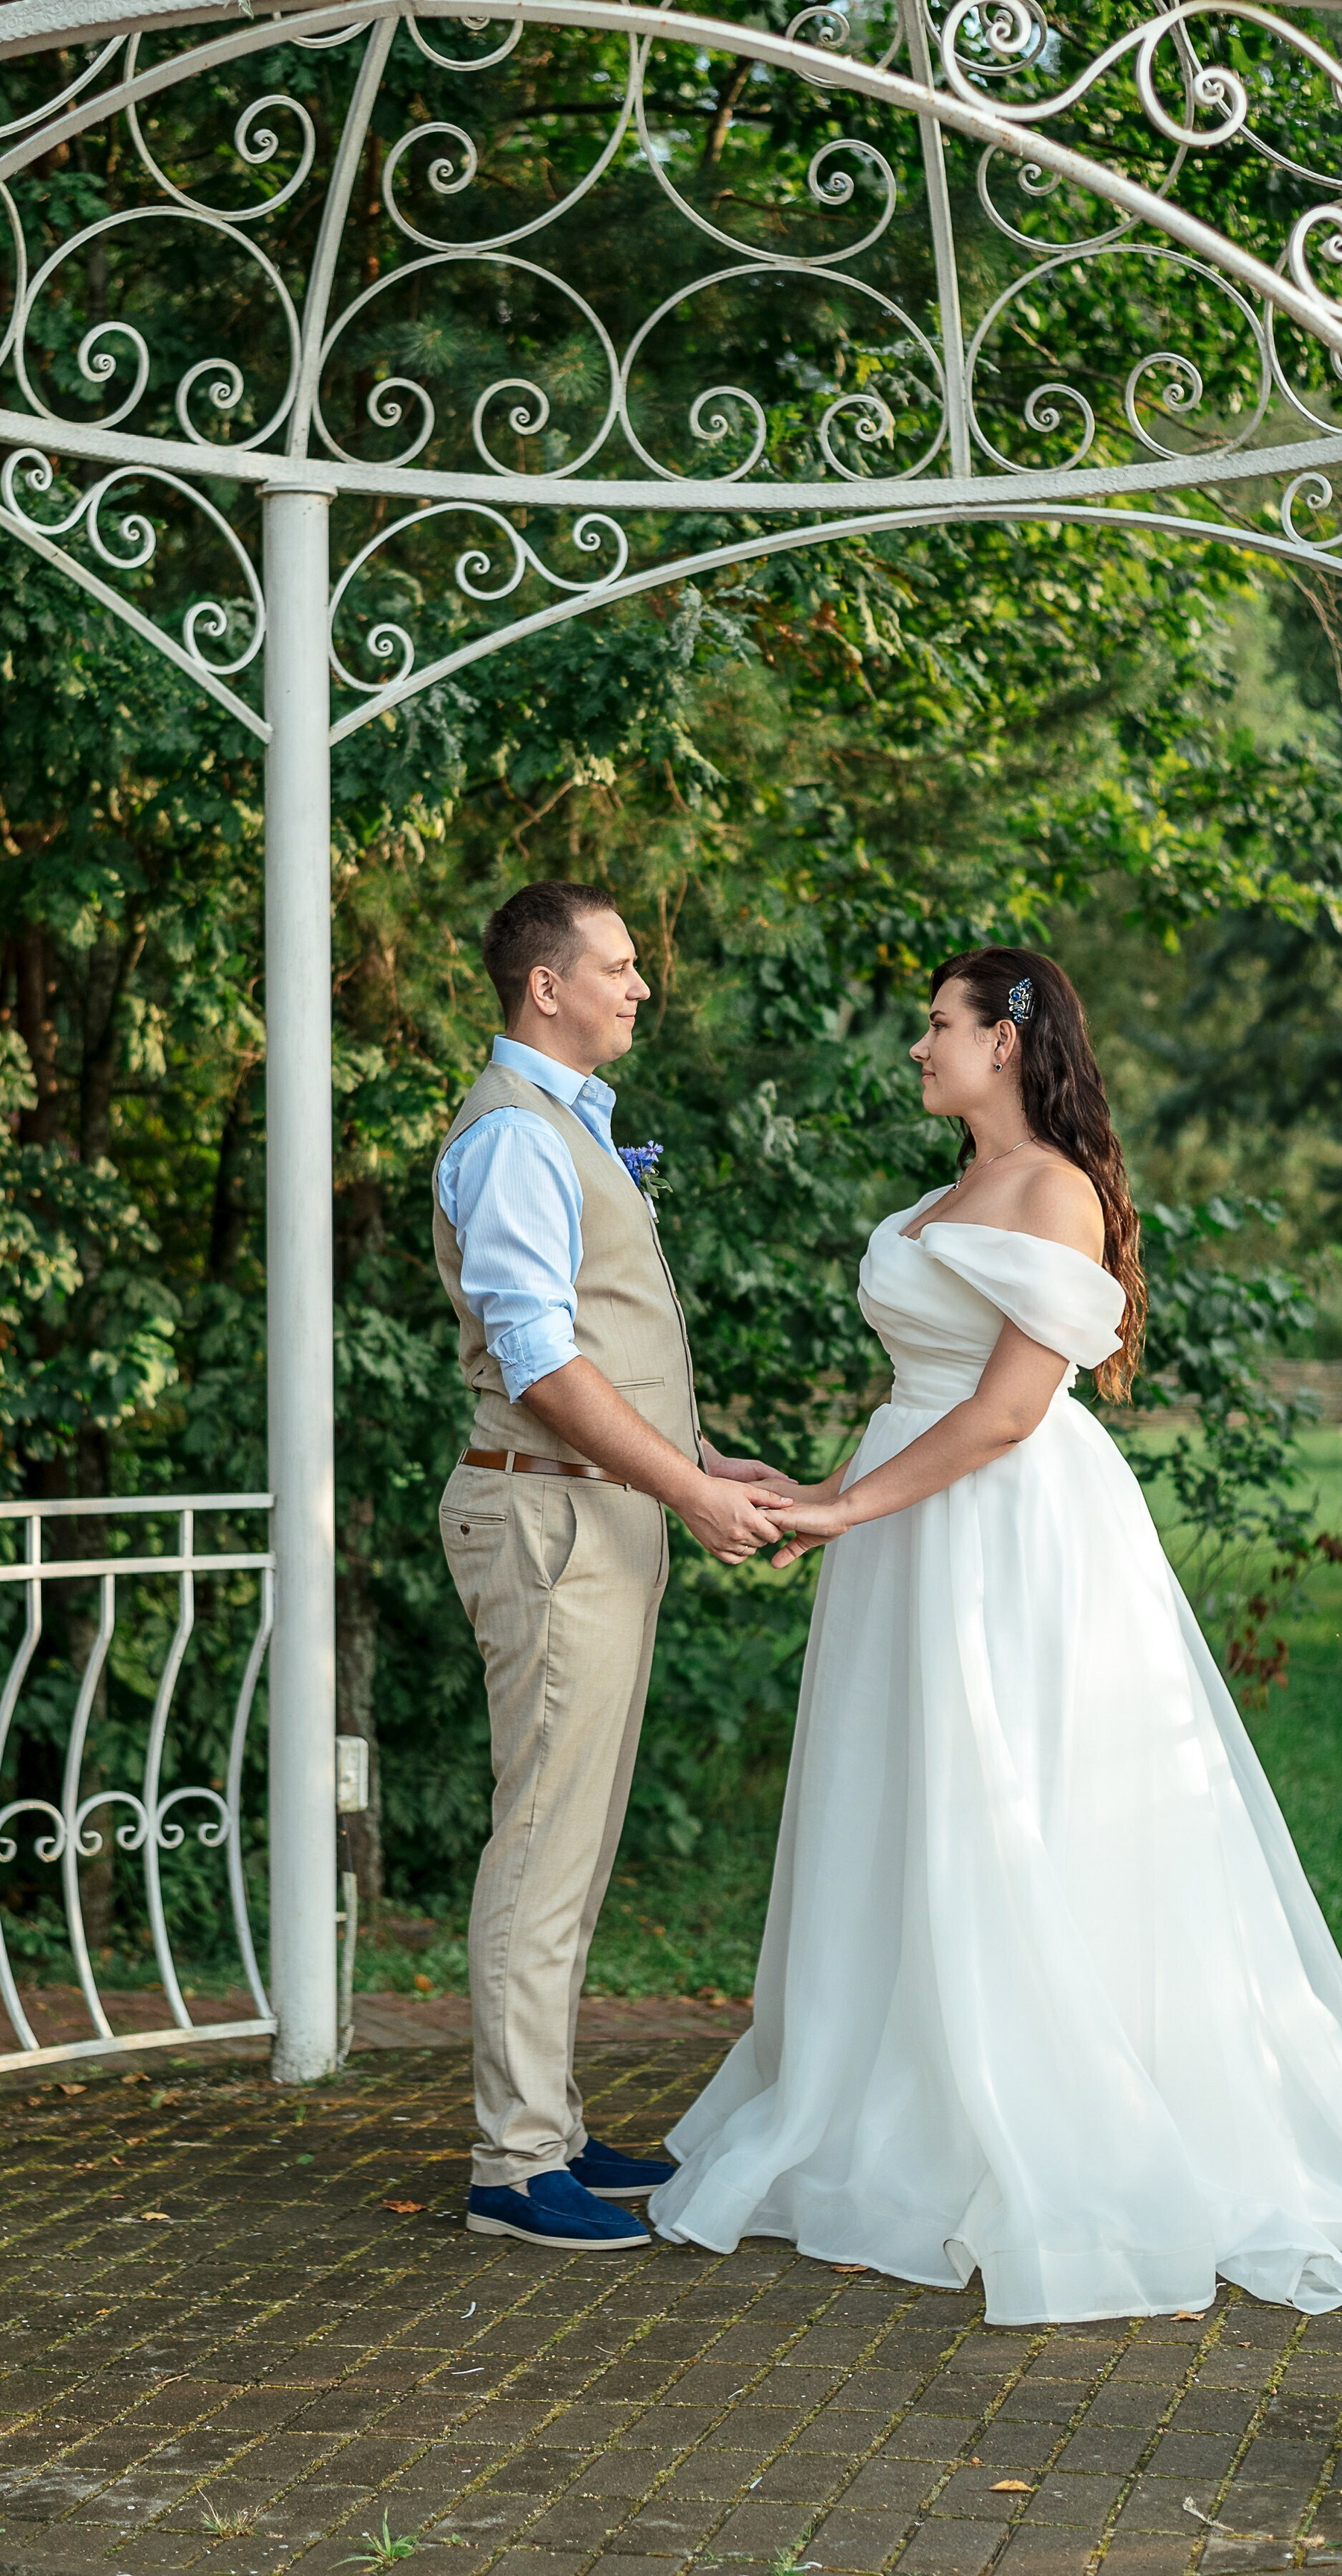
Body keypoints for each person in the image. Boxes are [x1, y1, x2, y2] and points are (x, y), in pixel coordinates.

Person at [650, 948, 1342, 2319]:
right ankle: (902, 2083)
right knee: (912, 1798)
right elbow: (928, 1382)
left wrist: (844, 1506)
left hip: (1007, 1523)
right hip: (914, 1524)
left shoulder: (1053, 1193)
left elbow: (1004, 1411)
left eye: (939, 1026)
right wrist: (827, 1495)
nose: (918, 1048)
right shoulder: (946, 1196)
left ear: (1006, 1041)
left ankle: (1058, 2096)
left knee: (1024, 1796)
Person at [434, 880, 795, 2253]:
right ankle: (514, 2166)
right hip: (552, 1520)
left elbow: (601, 1344)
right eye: (621, 966)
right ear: (547, 986)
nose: (642, 987)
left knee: (569, 1841)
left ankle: (552, 2123)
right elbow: (539, 1361)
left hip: (594, 1512)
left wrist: (709, 1461)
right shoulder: (518, 1140)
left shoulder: (558, 1129)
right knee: (540, 1839)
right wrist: (689, 1487)